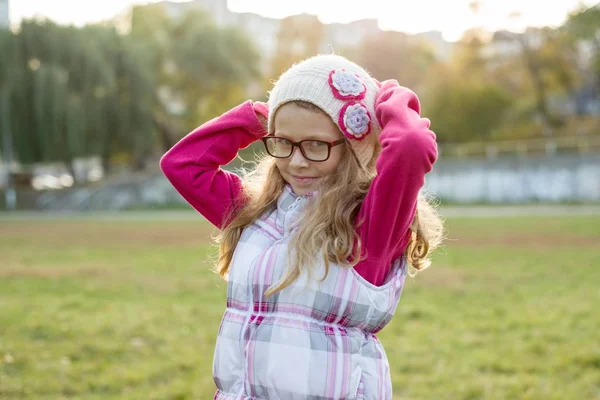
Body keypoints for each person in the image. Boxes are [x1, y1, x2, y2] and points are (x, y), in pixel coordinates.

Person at [160, 54, 443, 399]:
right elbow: (182, 164)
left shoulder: (369, 226)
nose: (295, 161)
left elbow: (411, 147)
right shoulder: (253, 213)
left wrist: (388, 99)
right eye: (283, 142)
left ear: (354, 147)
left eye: (315, 145)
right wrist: (258, 117)